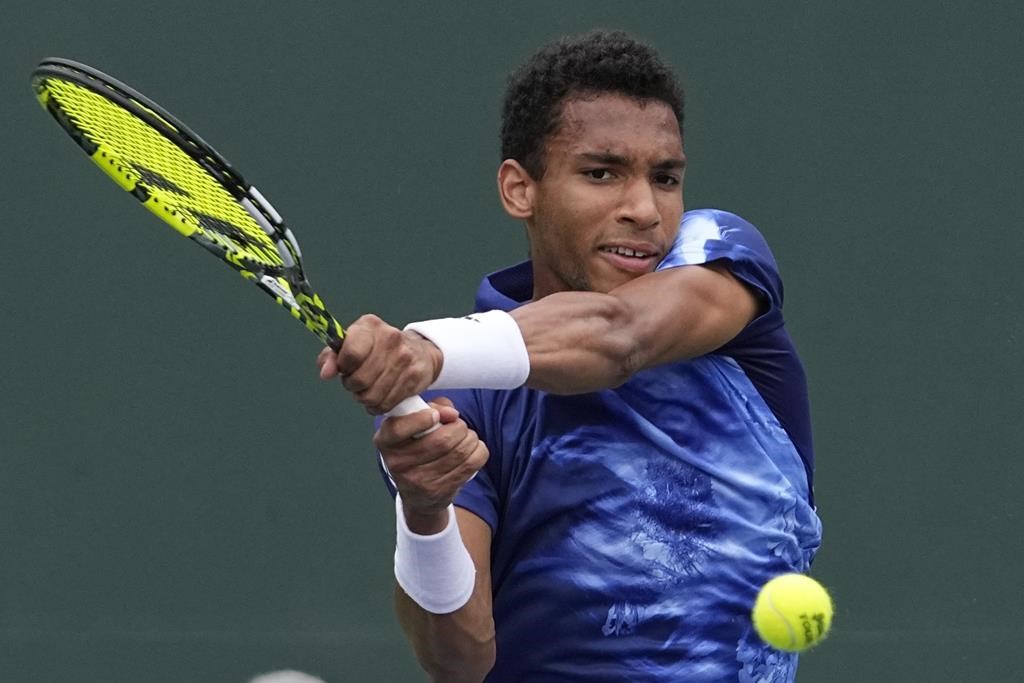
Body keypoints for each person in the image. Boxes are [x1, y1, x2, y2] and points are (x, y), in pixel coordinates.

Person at [318, 30, 822, 683]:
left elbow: (618, 335)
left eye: (665, 177)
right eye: (601, 172)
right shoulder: (464, 402)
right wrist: (425, 511)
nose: (644, 209)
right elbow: (459, 661)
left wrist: (428, 347)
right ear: (519, 190)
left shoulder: (720, 261)